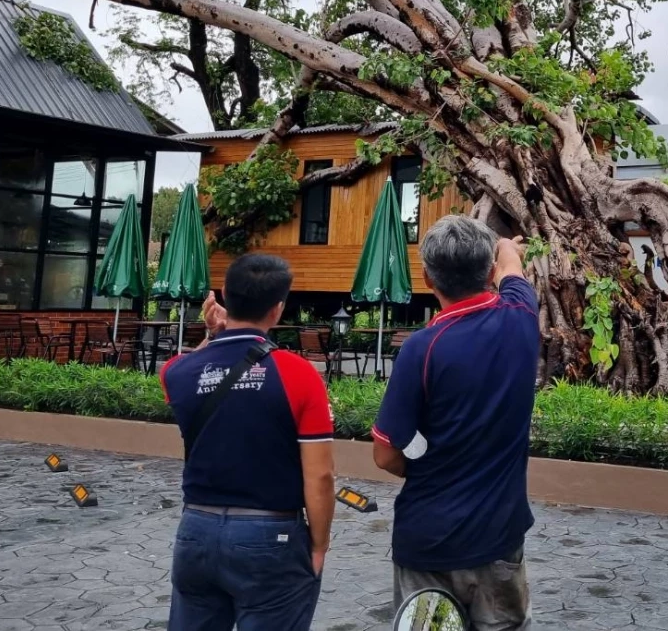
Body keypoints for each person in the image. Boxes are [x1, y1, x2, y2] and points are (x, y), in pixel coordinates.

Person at [372, 216, 540, 631]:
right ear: (488, 273)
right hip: (499, 538)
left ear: (427, 278)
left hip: (427, 541)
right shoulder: (521, 317)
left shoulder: (421, 349)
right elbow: (512, 269)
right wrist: (505, 248)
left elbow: (385, 453)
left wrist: (429, 463)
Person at [160, 254, 336, 631]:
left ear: (224, 295)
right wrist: (319, 546)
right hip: (271, 534)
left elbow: (190, 368)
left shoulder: (177, 373)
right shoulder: (299, 375)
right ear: (277, 310)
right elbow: (320, 475)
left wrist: (212, 335)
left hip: (196, 530)